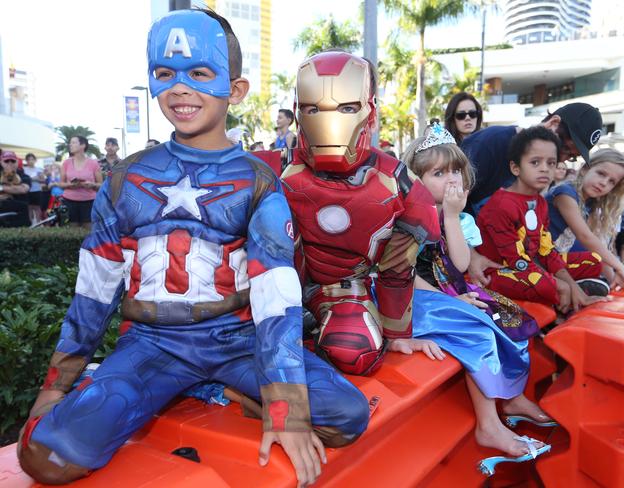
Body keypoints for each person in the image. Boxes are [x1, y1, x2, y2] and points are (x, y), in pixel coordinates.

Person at [17, 10, 369, 488]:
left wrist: (285, 408)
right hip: (152, 345)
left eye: (200, 73)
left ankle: (219, 389)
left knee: (346, 416)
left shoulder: (258, 181)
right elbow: (94, 291)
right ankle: (163, 388)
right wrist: (57, 383)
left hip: (238, 344)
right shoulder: (126, 178)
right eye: (165, 74)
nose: (180, 88)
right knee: (44, 459)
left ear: (236, 89)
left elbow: (277, 300)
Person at [277, 50, 441, 376]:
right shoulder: (273, 170)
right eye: (313, 109)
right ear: (298, 112)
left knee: (352, 348)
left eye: (347, 108)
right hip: (270, 290)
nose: (329, 121)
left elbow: (398, 267)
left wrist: (396, 333)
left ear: (370, 111)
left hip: (341, 290)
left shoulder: (401, 186)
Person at [403, 123, 551, 460]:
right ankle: (488, 426)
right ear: (415, 179)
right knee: (478, 328)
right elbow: (403, 275)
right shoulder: (405, 218)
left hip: (449, 286)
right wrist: (452, 300)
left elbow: (458, 262)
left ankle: (512, 398)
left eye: (456, 170)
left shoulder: (456, 216)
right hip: (416, 295)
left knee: (512, 316)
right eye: (439, 172)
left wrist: (453, 217)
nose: (452, 179)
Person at [464, 102, 604, 286]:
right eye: (565, 149)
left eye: (571, 157)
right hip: (480, 258)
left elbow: (536, 239)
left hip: (518, 259)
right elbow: (444, 204)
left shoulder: (542, 179)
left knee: (594, 262)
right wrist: (471, 256)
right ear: (553, 124)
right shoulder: (493, 141)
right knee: (550, 286)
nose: (562, 160)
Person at [476, 126, 607, 313]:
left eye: (551, 163)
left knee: (594, 260)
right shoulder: (500, 205)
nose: (545, 169)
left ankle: (576, 292)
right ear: (515, 167)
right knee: (547, 286)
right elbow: (517, 261)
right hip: (500, 273)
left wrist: (570, 284)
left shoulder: (540, 203)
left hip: (531, 264)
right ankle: (560, 304)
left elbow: (546, 250)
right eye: (535, 162)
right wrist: (560, 285)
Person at [546, 148, 624, 292]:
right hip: (539, 260)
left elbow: (595, 246)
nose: (604, 183)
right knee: (592, 260)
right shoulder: (565, 194)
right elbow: (586, 237)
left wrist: (616, 280)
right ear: (585, 169)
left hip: (558, 260)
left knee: (595, 258)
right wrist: (620, 266)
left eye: (612, 182)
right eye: (601, 174)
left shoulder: (590, 203)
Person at [52, 135, 102, 228]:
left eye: (73, 142)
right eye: (70, 143)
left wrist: (92, 185)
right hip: (69, 201)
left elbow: (101, 185)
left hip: (89, 202)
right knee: (72, 230)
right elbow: (61, 184)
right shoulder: (66, 163)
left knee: (88, 230)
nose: (70, 145)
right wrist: (71, 185)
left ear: (83, 145)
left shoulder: (93, 163)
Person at [0, 150, 31, 227]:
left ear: (17, 162)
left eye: (13, 161)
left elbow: (23, 189)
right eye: (6, 161)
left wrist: (1, 187)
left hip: (19, 210)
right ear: (1, 162)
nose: (10, 163)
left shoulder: (24, 176)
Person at [22, 152, 46, 223]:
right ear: (26, 161)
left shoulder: (39, 169)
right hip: (27, 191)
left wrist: (37, 179)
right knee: (29, 207)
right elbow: (22, 180)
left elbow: (43, 180)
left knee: (37, 207)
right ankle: (30, 223)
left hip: (37, 190)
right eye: (29, 159)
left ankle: (38, 223)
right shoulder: (24, 169)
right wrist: (32, 179)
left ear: (35, 160)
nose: (31, 161)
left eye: (32, 159)